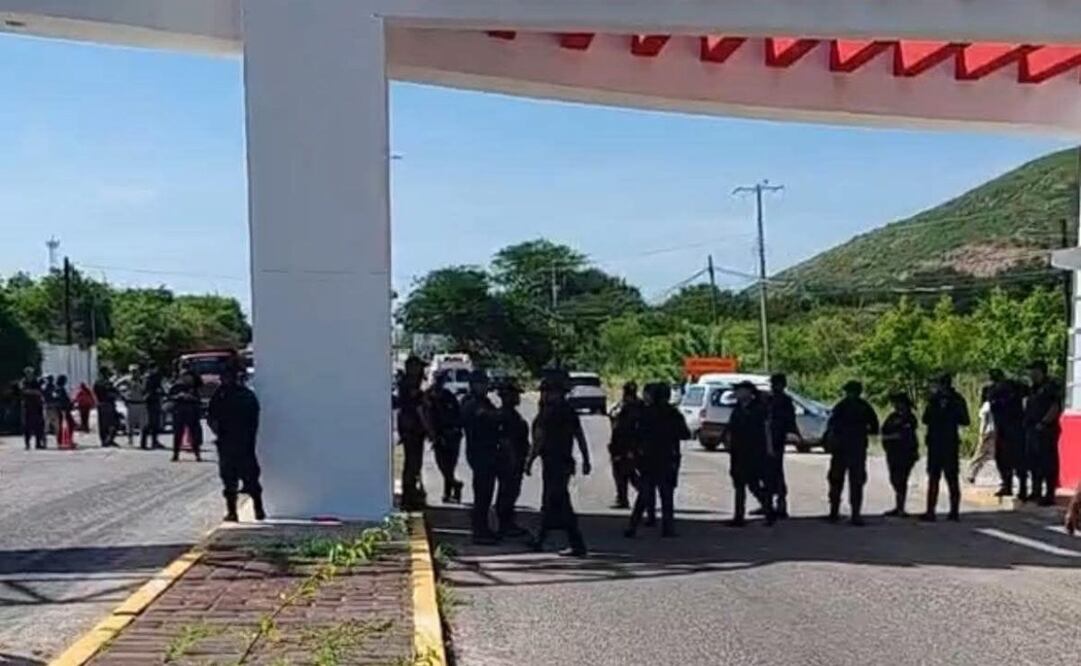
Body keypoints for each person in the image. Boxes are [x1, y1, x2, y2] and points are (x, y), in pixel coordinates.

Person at [528, 370, 592, 556]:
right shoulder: (568, 410)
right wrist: (586, 459)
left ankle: (573, 543)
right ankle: (543, 540)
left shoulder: (549, 412)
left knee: (556, 502)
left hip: (554, 463)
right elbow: (579, 436)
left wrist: (529, 461)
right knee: (555, 501)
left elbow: (539, 440)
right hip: (563, 462)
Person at [625, 382, 688, 538]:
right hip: (667, 457)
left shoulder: (644, 413)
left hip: (649, 457)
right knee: (666, 495)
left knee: (645, 494)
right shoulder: (672, 413)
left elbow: (634, 433)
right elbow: (684, 433)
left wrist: (635, 451)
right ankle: (668, 528)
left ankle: (633, 526)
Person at [208, 356, 265, 522]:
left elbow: (212, 418)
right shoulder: (229, 395)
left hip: (237, 442)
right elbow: (212, 417)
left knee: (244, 478)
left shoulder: (233, 395)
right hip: (233, 442)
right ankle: (237, 511)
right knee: (233, 480)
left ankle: (256, 509)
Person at [825, 380, 879, 526]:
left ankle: (834, 512)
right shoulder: (865, 407)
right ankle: (855, 514)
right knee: (856, 482)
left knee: (836, 480)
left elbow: (831, 425)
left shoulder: (841, 406)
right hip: (857, 449)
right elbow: (874, 427)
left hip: (841, 449)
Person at [921, 373, 970, 522]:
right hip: (944, 442)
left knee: (943, 477)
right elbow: (926, 419)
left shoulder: (942, 400)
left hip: (943, 442)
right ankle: (944, 511)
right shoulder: (951, 399)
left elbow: (925, 419)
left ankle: (940, 511)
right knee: (944, 477)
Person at [461, 370, 501, 544]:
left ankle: (483, 527)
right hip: (479, 452)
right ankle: (479, 530)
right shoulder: (471, 403)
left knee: (486, 492)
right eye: (481, 383)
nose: (485, 386)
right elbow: (486, 417)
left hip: (488, 451)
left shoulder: (483, 401)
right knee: (482, 492)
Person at [727, 381, 773, 527]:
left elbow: (766, 430)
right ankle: (738, 517)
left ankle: (768, 511)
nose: (737, 394)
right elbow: (731, 428)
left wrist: (769, 449)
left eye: (740, 391)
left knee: (754, 485)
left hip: (754, 451)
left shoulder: (758, 409)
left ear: (748, 392)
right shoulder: (737, 409)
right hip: (738, 451)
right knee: (739, 484)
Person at [1023, 360, 1062, 506]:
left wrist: (1044, 423)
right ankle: (1036, 491)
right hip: (1032, 428)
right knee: (1033, 462)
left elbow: (1055, 406)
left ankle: (1049, 494)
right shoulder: (1033, 388)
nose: (1030, 373)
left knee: (1047, 462)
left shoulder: (1050, 387)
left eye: (1033, 370)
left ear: (1040, 371)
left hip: (1046, 430)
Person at [495, 383, 530, 538]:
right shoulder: (504, 415)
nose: (518, 397)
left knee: (512, 491)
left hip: (516, 458)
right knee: (507, 492)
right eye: (514, 394)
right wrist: (513, 460)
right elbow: (505, 441)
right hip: (509, 460)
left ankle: (509, 522)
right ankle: (505, 524)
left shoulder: (512, 414)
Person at [765, 373, 801, 518]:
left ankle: (780, 504)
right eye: (773, 383)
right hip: (767, 438)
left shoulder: (784, 401)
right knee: (766, 472)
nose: (774, 386)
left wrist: (793, 433)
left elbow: (790, 420)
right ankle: (767, 503)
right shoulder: (768, 399)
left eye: (777, 383)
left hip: (777, 438)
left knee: (776, 471)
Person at [425, 371, 464, 504]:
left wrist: (456, 429)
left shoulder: (449, 396)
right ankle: (455, 485)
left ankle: (448, 493)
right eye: (437, 380)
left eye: (441, 380)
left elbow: (458, 415)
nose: (438, 383)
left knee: (450, 465)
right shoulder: (428, 395)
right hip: (438, 435)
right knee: (442, 465)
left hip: (452, 435)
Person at [396, 356, 429, 510]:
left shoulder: (408, 383)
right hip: (412, 429)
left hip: (412, 429)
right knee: (412, 464)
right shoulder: (409, 385)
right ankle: (409, 497)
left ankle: (411, 494)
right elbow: (418, 409)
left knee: (414, 464)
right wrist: (429, 429)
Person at [880, 392, 919, 517]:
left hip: (906, 452)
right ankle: (898, 506)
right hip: (892, 452)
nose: (896, 405)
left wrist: (892, 436)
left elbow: (905, 435)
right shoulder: (892, 417)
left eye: (898, 403)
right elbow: (884, 431)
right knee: (894, 479)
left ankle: (901, 507)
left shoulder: (909, 418)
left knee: (901, 479)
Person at [988, 369, 1025, 497]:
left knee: (1018, 459)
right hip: (1002, 427)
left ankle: (1022, 488)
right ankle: (1007, 484)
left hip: (1015, 427)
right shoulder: (993, 390)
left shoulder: (1014, 387)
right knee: (1001, 458)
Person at [608, 382, 643, 510]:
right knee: (625, 472)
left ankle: (641, 496)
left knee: (626, 473)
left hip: (626, 444)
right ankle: (623, 498)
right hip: (626, 444)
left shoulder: (630, 407)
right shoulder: (637, 405)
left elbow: (620, 425)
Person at [169, 371, 203, 461]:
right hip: (179, 411)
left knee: (194, 434)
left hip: (191, 411)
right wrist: (179, 396)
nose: (187, 379)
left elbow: (199, 400)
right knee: (178, 434)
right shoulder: (177, 386)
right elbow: (170, 396)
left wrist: (191, 398)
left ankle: (197, 454)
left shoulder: (195, 387)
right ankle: (175, 454)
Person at [966, 383, 997, 484]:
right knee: (989, 454)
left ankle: (971, 474)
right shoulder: (994, 404)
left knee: (980, 454)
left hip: (987, 432)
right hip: (994, 431)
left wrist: (981, 434)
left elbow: (984, 421)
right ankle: (972, 474)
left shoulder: (986, 405)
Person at [19, 368, 45, 450]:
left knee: (39, 426)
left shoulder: (36, 381)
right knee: (27, 426)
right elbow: (22, 391)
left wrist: (30, 391)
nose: (29, 374)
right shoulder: (23, 382)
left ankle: (38, 443)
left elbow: (40, 392)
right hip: (27, 407)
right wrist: (34, 392)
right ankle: (27, 444)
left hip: (37, 406)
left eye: (30, 373)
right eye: (27, 373)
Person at [93, 370, 121, 448]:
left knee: (103, 424)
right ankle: (108, 440)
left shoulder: (97, 383)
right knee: (113, 423)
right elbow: (113, 393)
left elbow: (95, 392)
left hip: (101, 404)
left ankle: (105, 440)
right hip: (107, 404)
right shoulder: (106, 383)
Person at [122, 366, 149, 447]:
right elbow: (117, 385)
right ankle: (130, 440)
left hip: (141, 403)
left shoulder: (142, 380)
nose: (134, 373)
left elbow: (146, 390)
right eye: (133, 371)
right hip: (131, 403)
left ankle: (142, 442)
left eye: (136, 371)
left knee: (143, 424)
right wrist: (124, 396)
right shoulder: (127, 380)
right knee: (130, 423)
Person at [142, 368, 166, 449]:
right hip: (152, 402)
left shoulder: (146, 377)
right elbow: (159, 390)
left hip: (151, 402)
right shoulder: (152, 378)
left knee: (153, 423)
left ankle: (151, 442)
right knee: (151, 423)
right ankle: (149, 442)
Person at [51, 375, 76, 445]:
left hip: (60, 409)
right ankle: (68, 440)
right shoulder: (60, 389)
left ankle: (61, 440)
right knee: (71, 424)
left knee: (62, 425)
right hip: (64, 409)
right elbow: (64, 400)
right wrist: (70, 404)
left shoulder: (56, 389)